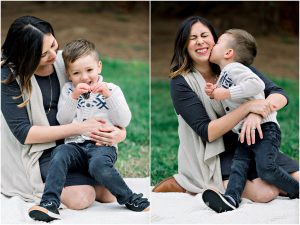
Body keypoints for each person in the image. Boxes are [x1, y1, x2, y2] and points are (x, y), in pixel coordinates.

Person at [152, 16, 299, 204]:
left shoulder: (233, 66)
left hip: (251, 140)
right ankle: (185, 183)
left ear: (215, 40)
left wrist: (256, 113)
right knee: (265, 192)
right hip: (214, 151)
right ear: (184, 45)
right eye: (192, 38)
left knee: (293, 177)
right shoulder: (181, 82)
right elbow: (208, 132)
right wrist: (248, 107)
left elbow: (279, 94)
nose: (200, 41)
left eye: (205, 35)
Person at [1, 15, 127, 216]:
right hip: (38, 151)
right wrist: (80, 128)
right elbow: (24, 133)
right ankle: (54, 194)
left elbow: (102, 105)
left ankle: (79, 179)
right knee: (82, 197)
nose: (54, 54)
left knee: (111, 194)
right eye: (44, 54)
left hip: (74, 144)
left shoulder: (65, 62)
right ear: (26, 56)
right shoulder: (8, 78)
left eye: (53, 44)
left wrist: (120, 133)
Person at [28, 39, 150, 221]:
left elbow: (124, 120)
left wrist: (108, 97)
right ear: (69, 75)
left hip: (102, 146)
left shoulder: (112, 90)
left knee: (98, 166)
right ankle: (49, 202)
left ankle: (129, 198)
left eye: (89, 70)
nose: (84, 77)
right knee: (60, 153)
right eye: (76, 73)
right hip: (75, 146)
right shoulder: (68, 90)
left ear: (99, 67)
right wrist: (73, 97)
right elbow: (63, 120)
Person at [201, 28, 299, 213]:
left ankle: (296, 189)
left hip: (265, 129)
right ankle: (231, 198)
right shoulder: (226, 73)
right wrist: (214, 91)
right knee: (239, 166)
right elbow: (236, 98)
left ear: (229, 53)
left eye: (218, 42)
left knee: (266, 168)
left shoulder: (235, 68)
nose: (213, 44)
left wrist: (226, 93)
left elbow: (257, 85)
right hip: (245, 133)